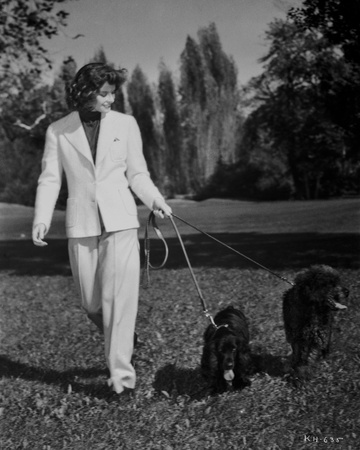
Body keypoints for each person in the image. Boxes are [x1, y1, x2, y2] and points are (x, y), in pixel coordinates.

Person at [32, 62, 172, 395]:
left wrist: (155, 200)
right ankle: (126, 338)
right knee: (92, 304)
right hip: (81, 224)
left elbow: (136, 173)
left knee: (119, 301)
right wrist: (41, 218)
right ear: (86, 93)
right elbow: (50, 179)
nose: (111, 100)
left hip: (121, 221)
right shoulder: (58, 131)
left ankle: (122, 381)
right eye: (105, 94)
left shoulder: (126, 124)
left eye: (113, 94)